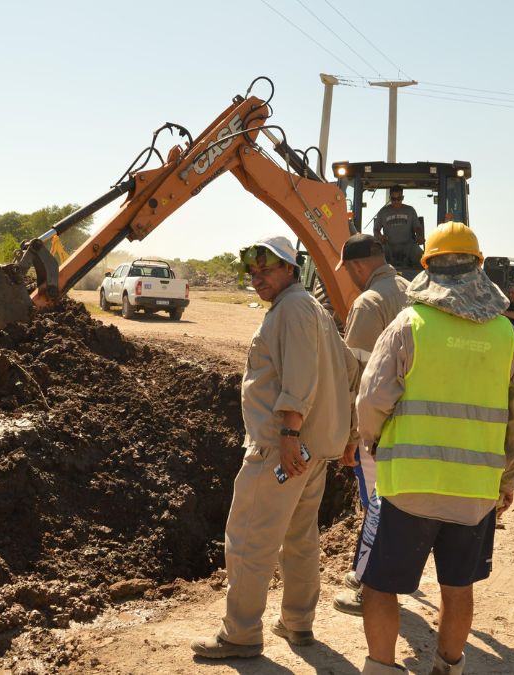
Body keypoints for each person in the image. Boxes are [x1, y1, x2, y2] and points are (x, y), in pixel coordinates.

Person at [353, 223, 514, 675]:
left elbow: (371, 401)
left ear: (427, 267)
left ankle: (381, 668)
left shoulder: (409, 324)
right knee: (457, 589)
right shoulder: (505, 336)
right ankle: (448, 668)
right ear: (478, 266)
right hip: (475, 495)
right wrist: (508, 480)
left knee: (380, 587)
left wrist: (372, 445)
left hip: (409, 488)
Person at [191, 235, 356, 659]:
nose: (258, 279)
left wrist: (288, 435)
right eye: (253, 272)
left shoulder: (293, 310)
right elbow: (346, 371)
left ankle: (241, 633)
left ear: (290, 268)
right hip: (312, 452)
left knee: (249, 539)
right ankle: (297, 623)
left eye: (267, 270)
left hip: (280, 452)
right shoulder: (312, 309)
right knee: (300, 538)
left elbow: (299, 378)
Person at [330, 233, 409, 617]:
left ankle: (366, 586)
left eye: (346, 270)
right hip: (410, 423)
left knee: (375, 506)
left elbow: (356, 377)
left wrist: (349, 435)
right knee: (392, 505)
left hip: (376, 427)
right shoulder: (412, 291)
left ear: (358, 266)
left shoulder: (369, 303)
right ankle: (377, 576)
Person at [371, 186, 423, 270]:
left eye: (399, 198)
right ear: (390, 198)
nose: (396, 201)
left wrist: (419, 236)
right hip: (388, 247)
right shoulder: (383, 212)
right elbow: (376, 229)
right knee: (375, 260)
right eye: (393, 199)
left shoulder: (410, 210)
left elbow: (417, 227)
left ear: (402, 197)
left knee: (422, 258)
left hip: (408, 246)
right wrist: (380, 237)